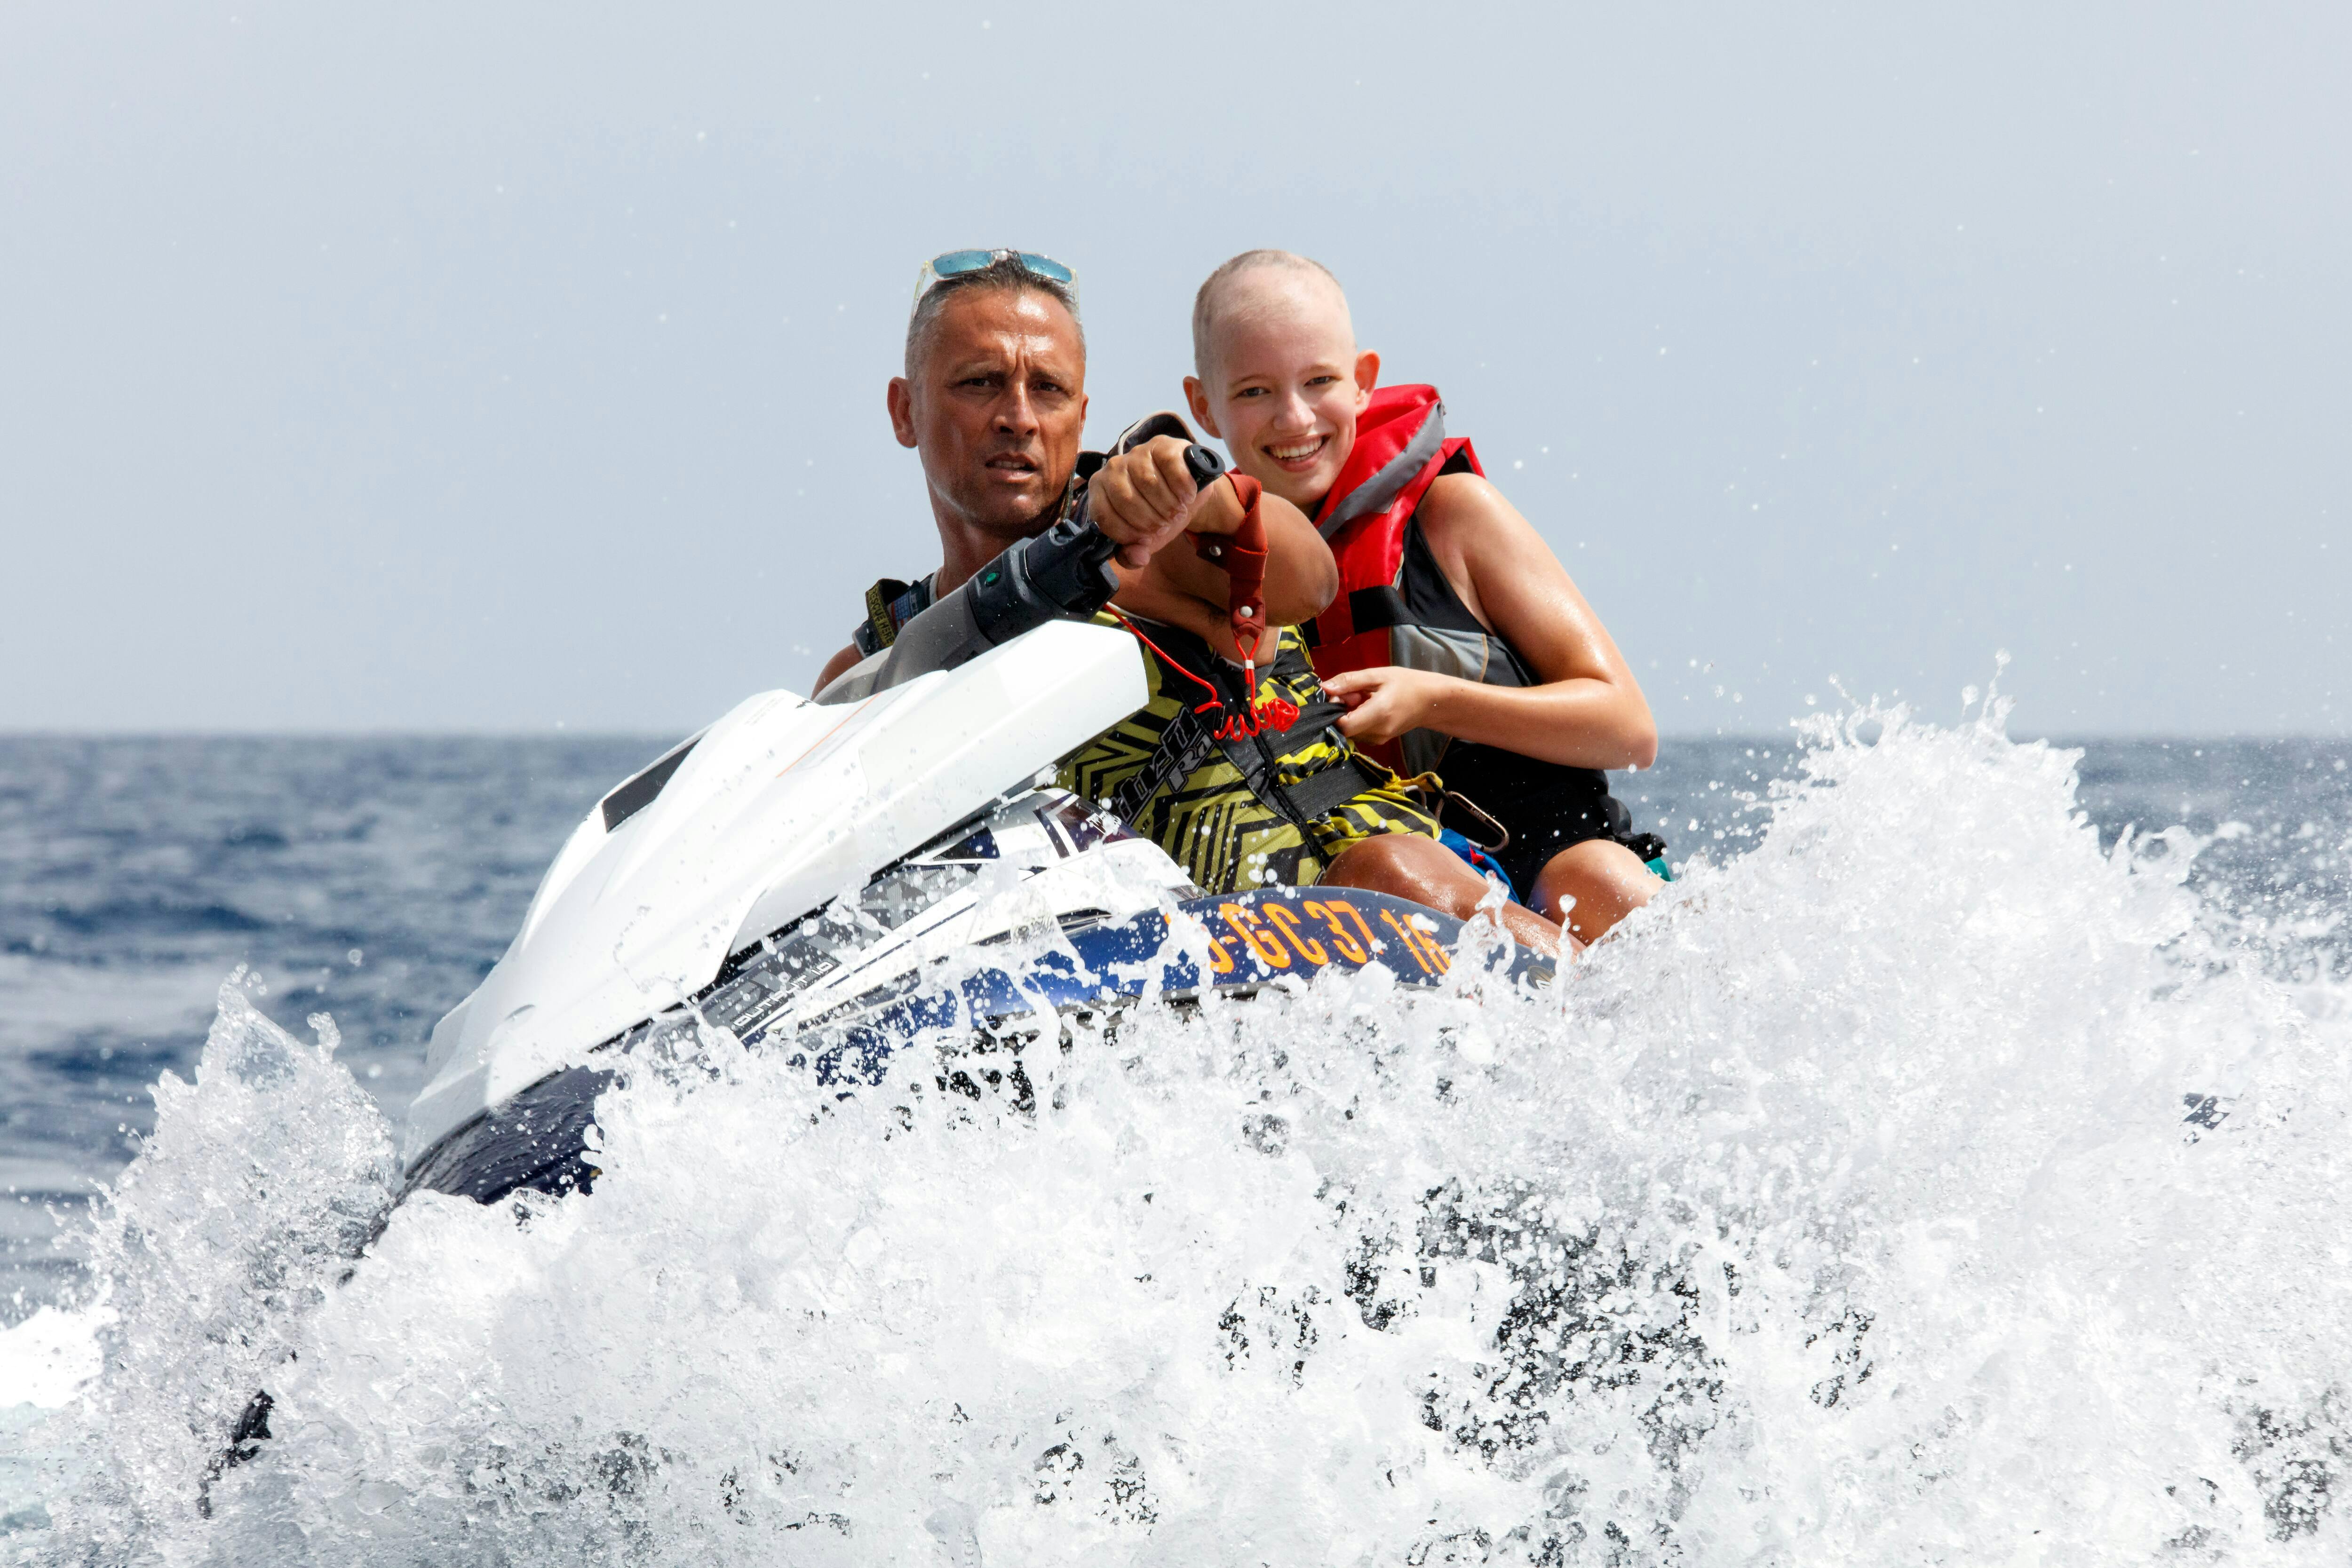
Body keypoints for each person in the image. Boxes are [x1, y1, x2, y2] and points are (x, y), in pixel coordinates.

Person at [814, 249, 1565, 953]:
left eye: (1048, 388)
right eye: (979, 382)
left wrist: (1207, 497)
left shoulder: (1155, 543)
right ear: (904, 410)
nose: (1018, 416)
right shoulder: (877, 664)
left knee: (1388, 879)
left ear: (1081, 415)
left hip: (1369, 896)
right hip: (1157, 975)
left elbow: (1310, 581)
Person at [1183, 249, 1666, 943]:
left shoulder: (1453, 517)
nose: (1293, 419)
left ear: (1363, 382)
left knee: (1589, 883)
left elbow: (1629, 728)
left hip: (1559, 851)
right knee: (1386, 885)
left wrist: (1431, 698)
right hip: (1402, 878)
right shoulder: (1216, 579)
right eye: (1254, 392)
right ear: (1203, 406)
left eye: (1319, 380)